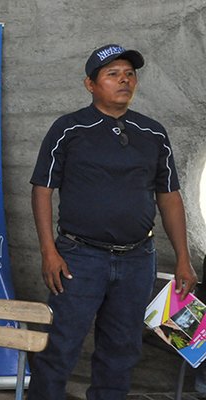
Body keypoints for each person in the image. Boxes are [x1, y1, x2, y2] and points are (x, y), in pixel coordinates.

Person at [28, 44, 198, 399]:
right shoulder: (69, 129)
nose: (124, 80)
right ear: (90, 84)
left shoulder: (153, 133)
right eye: (112, 74)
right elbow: (42, 189)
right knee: (59, 345)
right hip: (79, 257)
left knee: (121, 351)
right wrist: (48, 250)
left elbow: (169, 197)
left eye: (129, 74)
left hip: (138, 259)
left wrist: (183, 256)